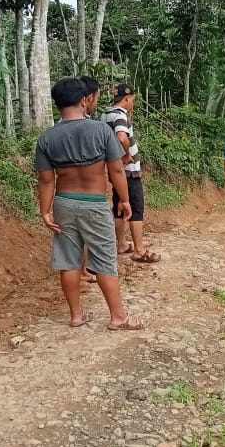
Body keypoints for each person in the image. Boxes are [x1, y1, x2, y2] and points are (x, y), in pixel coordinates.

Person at [35, 76, 143, 330]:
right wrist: (125, 200)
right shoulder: (101, 131)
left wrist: (45, 211)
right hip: (94, 203)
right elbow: (116, 170)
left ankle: (76, 316)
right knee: (105, 259)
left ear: (57, 104)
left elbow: (46, 179)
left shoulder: (47, 138)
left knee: (69, 261)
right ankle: (118, 317)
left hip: (64, 203)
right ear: (84, 100)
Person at [102, 81, 160, 265]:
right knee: (136, 208)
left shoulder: (106, 114)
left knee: (119, 205)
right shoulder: (119, 116)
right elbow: (121, 136)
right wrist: (127, 155)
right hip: (128, 170)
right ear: (127, 99)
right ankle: (139, 250)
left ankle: (121, 244)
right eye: (132, 100)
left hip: (116, 169)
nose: (133, 103)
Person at [79, 75, 101, 282]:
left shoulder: (62, 125)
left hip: (68, 190)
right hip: (86, 188)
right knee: (87, 231)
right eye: (97, 97)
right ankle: (84, 269)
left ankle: (83, 268)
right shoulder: (88, 127)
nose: (97, 102)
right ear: (88, 98)